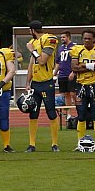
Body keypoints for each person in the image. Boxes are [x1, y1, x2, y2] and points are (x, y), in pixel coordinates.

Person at [24, 22, 61, 152]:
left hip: (46, 82)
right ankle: (32, 144)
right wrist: (27, 82)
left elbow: (41, 60)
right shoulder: (33, 42)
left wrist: (32, 50)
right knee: (33, 113)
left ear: (32, 30)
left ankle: (55, 144)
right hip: (35, 83)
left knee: (51, 113)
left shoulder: (49, 39)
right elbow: (32, 64)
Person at [69, 30, 95, 150]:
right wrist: (92, 67)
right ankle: (80, 143)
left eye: (89, 38)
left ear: (94, 40)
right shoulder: (77, 50)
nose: (86, 40)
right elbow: (74, 68)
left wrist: (83, 65)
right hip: (81, 86)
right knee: (81, 114)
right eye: (84, 38)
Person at [56, 32, 76, 116]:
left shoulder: (74, 47)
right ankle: (69, 114)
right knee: (66, 94)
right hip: (62, 74)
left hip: (70, 74)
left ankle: (79, 112)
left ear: (68, 37)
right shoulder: (60, 48)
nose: (62, 39)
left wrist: (73, 72)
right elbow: (58, 62)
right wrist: (54, 73)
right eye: (61, 37)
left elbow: (77, 61)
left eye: (63, 37)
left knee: (73, 93)